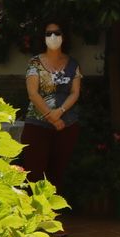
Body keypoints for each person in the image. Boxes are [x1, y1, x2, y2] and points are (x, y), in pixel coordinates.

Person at [20, 19, 82, 191]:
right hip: (37, 125)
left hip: (66, 125)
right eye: (49, 33)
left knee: (57, 174)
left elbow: (75, 92)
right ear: (43, 37)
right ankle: (34, 216)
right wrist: (51, 116)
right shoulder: (35, 63)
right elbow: (33, 93)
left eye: (57, 33)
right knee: (33, 175)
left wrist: (60, 111)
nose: (53, 37)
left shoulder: (73, 64)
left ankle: (52, 216)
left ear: (64, 36)